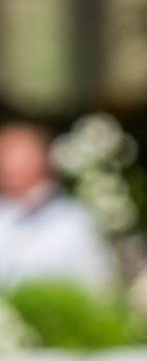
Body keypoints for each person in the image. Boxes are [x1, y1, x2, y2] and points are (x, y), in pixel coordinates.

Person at [0, 122, 116, 290]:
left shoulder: (73, 220)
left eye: (20, 157)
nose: (10, 165)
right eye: (6, 156)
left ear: (43, 159)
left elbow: (98, 283)